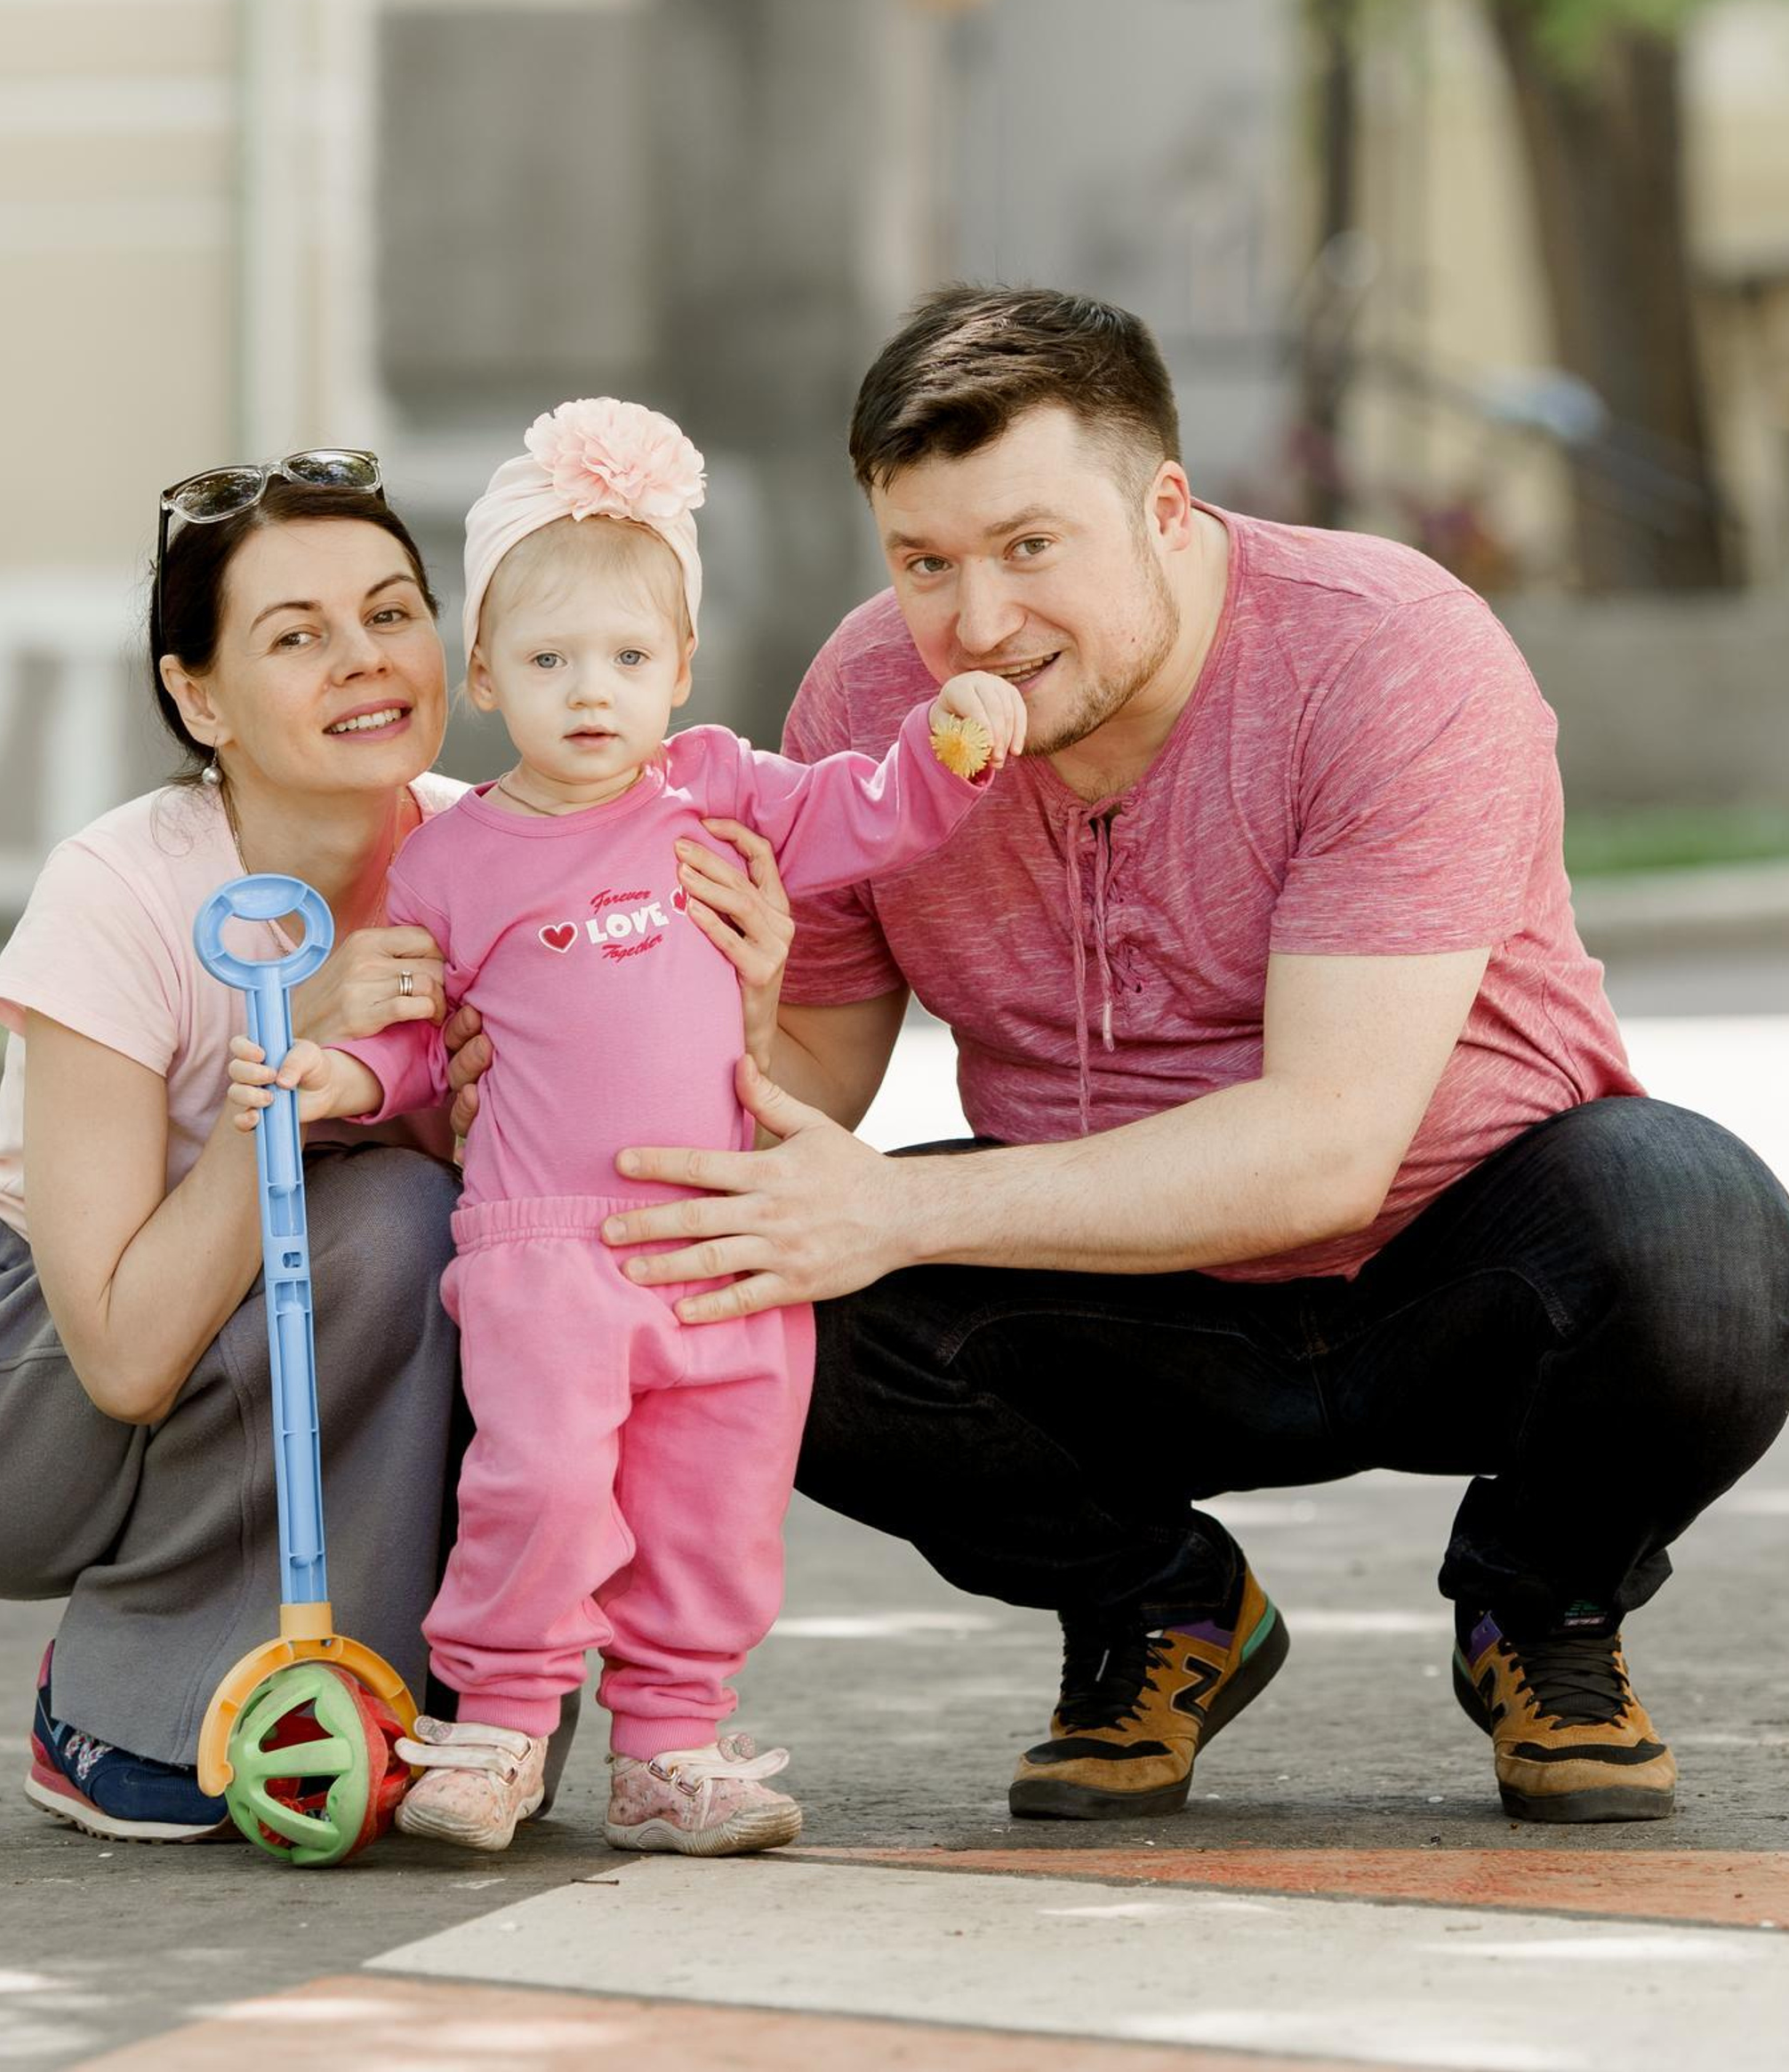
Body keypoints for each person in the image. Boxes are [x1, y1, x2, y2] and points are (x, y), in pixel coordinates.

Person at [581, 288, 1789, 1828]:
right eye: (924, 562)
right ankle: (1161, 1609)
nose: (978, 623)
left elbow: (1328, 1146)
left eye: (1031, 547)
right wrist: (717, 1028)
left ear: (1164, 507)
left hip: (1459, 1263)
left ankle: (1541, 1608)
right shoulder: (867, 701)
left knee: (1705, 1231)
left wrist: (902, 1209)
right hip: (1117, 1292)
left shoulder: (1389, 655)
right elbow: (813, 1076)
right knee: (735, 1280)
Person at [0, 453, 795, 1845]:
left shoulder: (512, 846)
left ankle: (430, 1701)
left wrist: (745, 994)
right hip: (15, 1378)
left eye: (391, 613)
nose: (366, 662)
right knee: (395, 1221)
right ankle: (123, 1708)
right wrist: (292, 1078)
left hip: (307, 1315)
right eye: (298, 637)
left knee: (507, 1268)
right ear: (199, 696)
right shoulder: (123, 887)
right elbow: (121, 1348)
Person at [229, 398, 1022, 1856]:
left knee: (711, 1507)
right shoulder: (452, 857)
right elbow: (414, 1041)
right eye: (547, 661)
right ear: (483, 676)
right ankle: (497, 1725)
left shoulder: (719, 789)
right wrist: (342, 1080)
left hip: (721, 1236)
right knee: (534, 1489)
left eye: (628, 660)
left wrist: (947, 749)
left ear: (683, 670)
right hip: (546, 1254)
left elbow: (867, 812)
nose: (591, 694)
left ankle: (673, 1748)